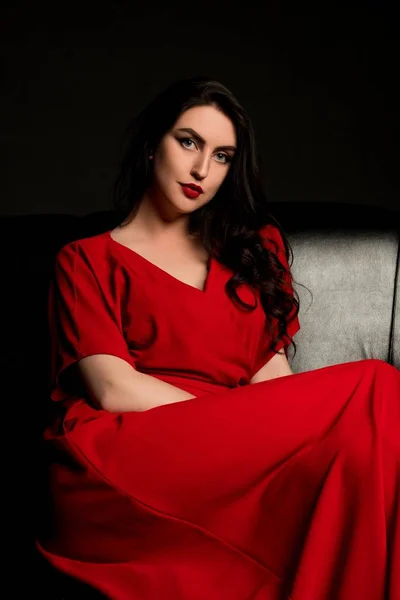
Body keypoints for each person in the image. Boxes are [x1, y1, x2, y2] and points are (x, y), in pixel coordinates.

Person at [37, 75, 400, 599]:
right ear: (150, 144)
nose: (202, 170)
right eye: (188, 142)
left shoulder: (254, 254)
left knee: (362, 455)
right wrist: (235, 423)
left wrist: (279, 443)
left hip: (225, 456)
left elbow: (272, 381)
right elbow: (112, 388)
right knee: (374, 386)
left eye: (223, 155)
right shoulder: (85, 259)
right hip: (125, 451)